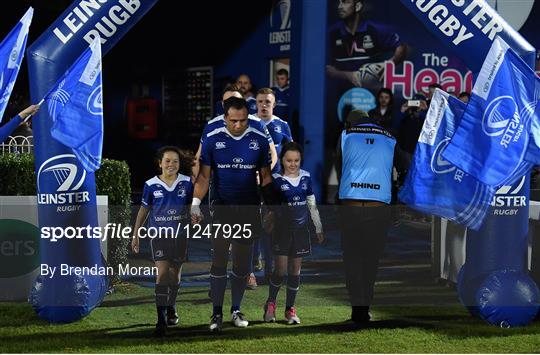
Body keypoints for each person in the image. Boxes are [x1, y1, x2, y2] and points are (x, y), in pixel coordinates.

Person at [191, 97, 277, 332]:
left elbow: (266, 178)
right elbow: (204, 177)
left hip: (249, 208)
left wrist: (273, 209)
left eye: (242, 121)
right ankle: (216, 313)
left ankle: (236, 310)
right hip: (221, 207)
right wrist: (195, 203)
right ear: (225, 117)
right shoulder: (212, 138)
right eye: (233, 121)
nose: (238, 125)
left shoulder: (258, 140)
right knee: (219, 259)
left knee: (242, 264)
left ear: (247, 118)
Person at [336, 109, 403, 325]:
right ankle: (365, 307)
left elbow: (339, 166)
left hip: (351, 205)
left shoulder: (346, 135)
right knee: (371, 260)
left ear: (351, 122)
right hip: (379, 206)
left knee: (352, 259)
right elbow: (404, 167)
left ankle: (358, 310)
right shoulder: (390, 138)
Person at [131, 146, 194, 336]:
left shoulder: (187, 183)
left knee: (175, 275)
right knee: (162, 274)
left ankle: (171, 306)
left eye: (175, 161)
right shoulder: (151, 184)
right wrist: (136, 234)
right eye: (167, 161)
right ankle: (161, 320)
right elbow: (144, 210)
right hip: (158, 235)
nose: (171, 164)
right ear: (160, 163)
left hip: (180, 235)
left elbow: (193, 206)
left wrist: (195, 215)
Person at [263, 142, 324, 325]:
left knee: (295, 271)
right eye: (289, 160)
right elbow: (269, 208)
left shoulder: (306, 177)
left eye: (296, 160)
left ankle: (290, 309)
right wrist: (268, 221)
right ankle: (270, 304)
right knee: (280, 271)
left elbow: (311, 204)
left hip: (301, 232)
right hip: (282, 232)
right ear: (282, 160)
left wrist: (318, 227)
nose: (293, 164)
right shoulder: (275, 180)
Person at [252, 87, 294, 286]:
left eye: (267, 102)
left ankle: (269, 270)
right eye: (260, 101)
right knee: (250, 224)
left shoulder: (282, 125)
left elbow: (290, 155)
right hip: (251, 182)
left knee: (272, 225)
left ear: (274, 104)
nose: (263, 105)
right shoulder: (248, 123)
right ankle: (251, 266)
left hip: (274, 184)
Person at [326, 0, 408, 88]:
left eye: (346, 2)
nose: (340, 6)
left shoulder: (375, 30)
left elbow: (401, 47)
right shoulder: (331, 33)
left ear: (358, 6)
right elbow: (325, 69)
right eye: (339, 2)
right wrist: (348, 75)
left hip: (370, 95)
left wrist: (388, 65)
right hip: (339, 95)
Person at [397, 95, 428, 171]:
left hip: (422, 151)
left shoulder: (426, 116)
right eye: (415, 102)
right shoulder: (406, 117)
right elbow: (396, 126)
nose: (417, 105)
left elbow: (430, 126)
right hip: (406, 151)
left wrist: (426, 110)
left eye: (419, 102)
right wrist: (402, 110)